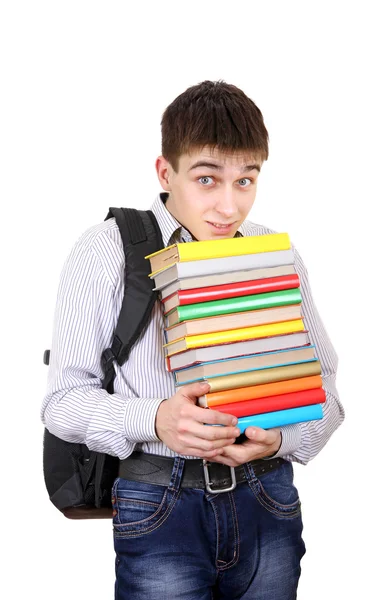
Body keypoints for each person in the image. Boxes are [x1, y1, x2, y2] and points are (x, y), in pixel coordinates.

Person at [41, 80, 344, 599]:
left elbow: (327, 395)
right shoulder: (106, 249)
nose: (229, 206)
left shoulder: (277, 257)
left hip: (268, 498)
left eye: (246, 181)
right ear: (166, 172)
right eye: (207, 179)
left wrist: (282, 440)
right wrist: (155, 417)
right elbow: (60, 403)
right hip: (159, 502)